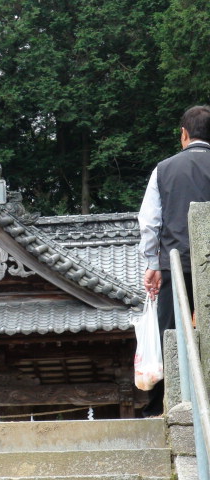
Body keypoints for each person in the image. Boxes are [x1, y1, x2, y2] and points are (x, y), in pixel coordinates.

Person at [138, 105, 210, 417]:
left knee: (169, 330)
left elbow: (150, 222)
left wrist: (152, 264)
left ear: (184, 134)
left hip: (175, 265)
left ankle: (162, 406)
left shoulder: (164, 169)